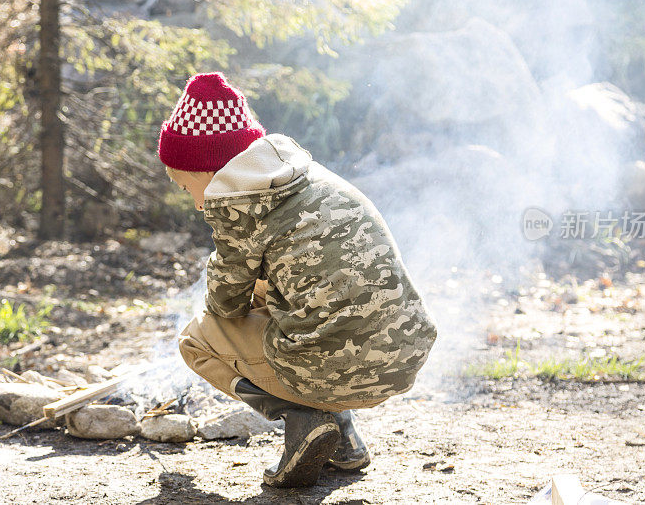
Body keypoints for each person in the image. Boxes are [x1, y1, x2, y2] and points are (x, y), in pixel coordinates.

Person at [158, 72, 437, 488]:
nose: (196, 204)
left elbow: (223, 305)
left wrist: (243, 285)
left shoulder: (235, 202)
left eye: (186, 186)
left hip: (337, 369)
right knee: (289, 297)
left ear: (208, 171)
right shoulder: (306, 178)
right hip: (402, 358)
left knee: (195, 340)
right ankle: (344, 440)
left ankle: (301, 417)